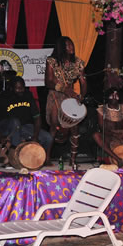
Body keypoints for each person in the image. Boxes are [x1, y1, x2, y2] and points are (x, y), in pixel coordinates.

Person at [0, 76, 53, 160]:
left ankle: (36, 159)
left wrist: (35, 136)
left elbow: (37, 117)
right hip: (6, 127)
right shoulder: (2, 97)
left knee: (48, 138)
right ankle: (17, 155)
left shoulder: (27, 95)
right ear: (11, 88)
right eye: (18, 88)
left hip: (25, 127)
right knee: (15, 122)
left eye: (22, 88)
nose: (21, 90)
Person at [45, 36, 87, 166]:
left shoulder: (78, 63)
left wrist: (82, 96)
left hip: (70, 97)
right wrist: (63, 88)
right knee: (54, 126)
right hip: (55, 96)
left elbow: (83, 82)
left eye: (71, 44)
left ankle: (73, 160)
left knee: (74, 127)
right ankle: (46, 157)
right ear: (61, 47)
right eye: (67, 45)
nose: (71, 47)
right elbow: (48, 82)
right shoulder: (52, 61)